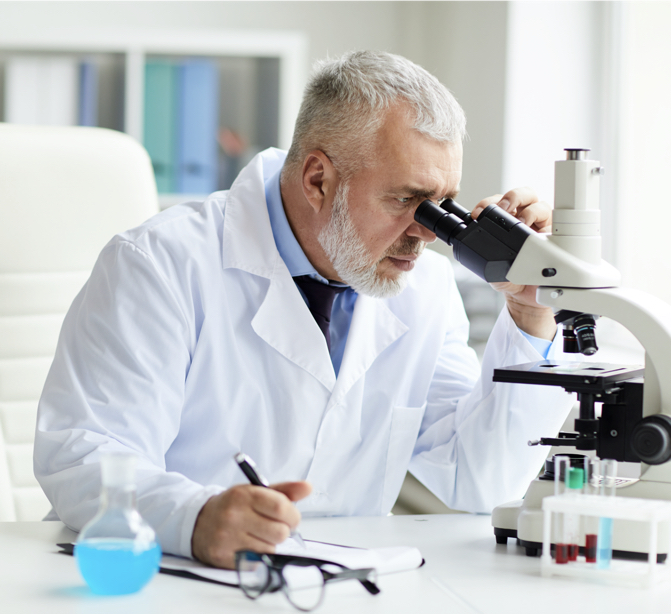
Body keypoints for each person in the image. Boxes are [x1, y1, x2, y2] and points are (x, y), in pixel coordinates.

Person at [34, 50, 573, 569]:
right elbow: (85, 455)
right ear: (318, 179)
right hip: (163, 575)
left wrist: (530, 315)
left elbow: (482, 479)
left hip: (334, 579)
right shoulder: (160, 263)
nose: (426, 233)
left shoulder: (427, 289)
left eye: (443, 204)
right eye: (407, 199)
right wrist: (193, 519)